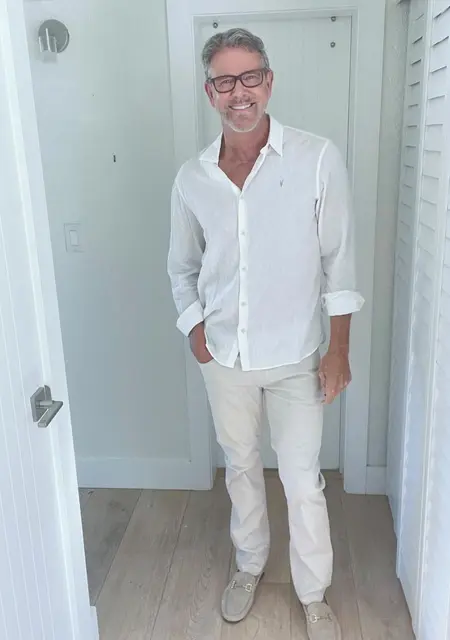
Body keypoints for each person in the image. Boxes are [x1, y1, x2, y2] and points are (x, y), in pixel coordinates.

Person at [168, 27, 364, 640]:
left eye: (250, 77)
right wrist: (196, 330)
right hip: (224, 355)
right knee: (241, 466)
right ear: (210, 93)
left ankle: (313, 593)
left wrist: (339, 349)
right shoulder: (193, 177)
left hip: (297, 355)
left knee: (303, 480)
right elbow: (182, 267)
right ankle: (250, 564)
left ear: (269, 81)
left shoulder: (317, 158)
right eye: (225, 81)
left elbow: (339, 262)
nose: (239, 92)